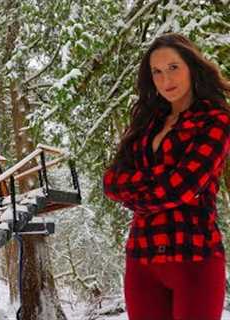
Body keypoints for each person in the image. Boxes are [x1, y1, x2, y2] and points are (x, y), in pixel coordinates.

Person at [103, 33, 230, 320]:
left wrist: (137, 191)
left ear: (191, 67)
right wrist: (161, 179)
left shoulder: (215, 120)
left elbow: (182, 188)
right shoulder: (147, 122)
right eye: (156, 72)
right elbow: (111, 181)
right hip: (142, 259)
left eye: (173, 67)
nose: (165, 79)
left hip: (194, 257)